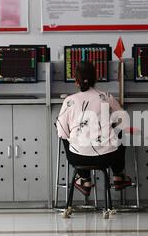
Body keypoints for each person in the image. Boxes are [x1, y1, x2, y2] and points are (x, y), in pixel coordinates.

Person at [56, 62, 131, 196]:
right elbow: (123, 120)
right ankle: (118, 175)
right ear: (95, 79)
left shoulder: (69, 101)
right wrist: (111, 126)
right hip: (107, 158)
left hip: (77, 158)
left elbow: (62, 132)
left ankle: (84, 180)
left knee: (65, 136)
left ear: (76, 82)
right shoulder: (106, 96)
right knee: (120, 132)